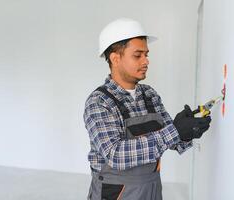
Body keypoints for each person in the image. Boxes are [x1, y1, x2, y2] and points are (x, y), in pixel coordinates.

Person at [83, 18, 212, 200]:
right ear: (115, 58)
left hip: (151, 189)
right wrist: (174, 131)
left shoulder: (149, 94)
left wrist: (187, 130)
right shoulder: (99, 102)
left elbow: (173, 140)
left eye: (146, 54)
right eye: (138, 55)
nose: (146, 61)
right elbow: (115, 155)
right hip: (115, 193)